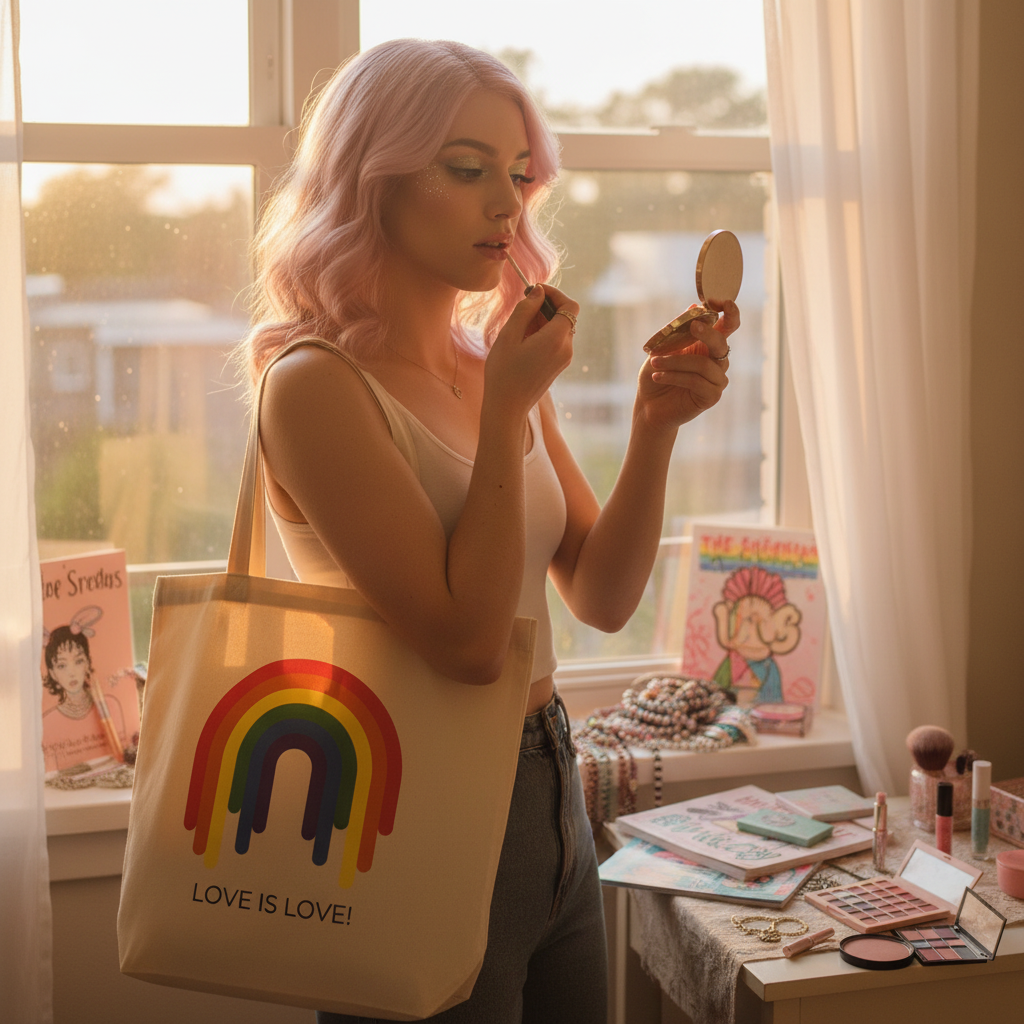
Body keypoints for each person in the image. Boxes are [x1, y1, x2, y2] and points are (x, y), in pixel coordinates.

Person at [239, 38, 737, 1024]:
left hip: (551, 783)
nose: (506, 205)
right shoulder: (314, 388)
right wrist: (509, 410)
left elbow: (596, 593)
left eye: (516, 175)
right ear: (367, 180)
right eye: (465, 170)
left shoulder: (492, 362)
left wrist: (651, 428)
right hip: (407, 805)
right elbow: (470, 645)